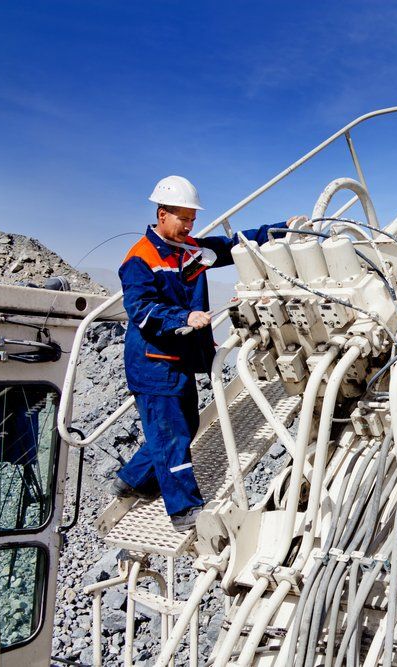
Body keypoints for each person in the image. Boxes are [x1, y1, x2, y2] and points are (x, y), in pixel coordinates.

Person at [112, 175, 294, 532]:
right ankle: (184, 511)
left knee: (186, 424)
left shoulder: (191, 251)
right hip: (153, 364)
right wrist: (183, 317)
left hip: (177, 359)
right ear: (162, 214)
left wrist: (279, 230)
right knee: (171, 435)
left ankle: (132, 480)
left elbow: (232, 245)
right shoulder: (140, 259)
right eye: (183, 218)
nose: (189, 226)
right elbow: (141, 310)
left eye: (192, 219)